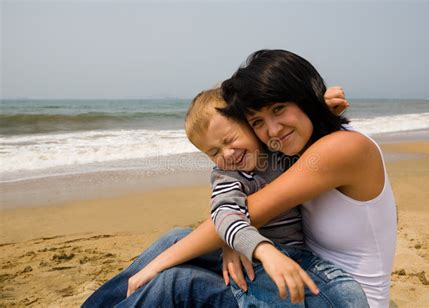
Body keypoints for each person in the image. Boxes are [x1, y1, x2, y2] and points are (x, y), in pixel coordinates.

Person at [82, 86, 368, 307]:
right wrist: (254, 246)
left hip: (285, 255)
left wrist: (319, 106)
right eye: (214, 152)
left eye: (230, 140)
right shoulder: (227, 176)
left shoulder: (278, 151)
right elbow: (224, 214)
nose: (227, 154)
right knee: (174, 239)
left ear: (250, 124)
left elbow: (299, 129)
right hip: (261, 255)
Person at [219, 49, 397, 308]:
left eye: (278, 108)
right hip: (312, 280)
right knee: (179, 245)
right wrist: (315, 107)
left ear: (306, 98)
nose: (273, 130)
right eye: (257, 121)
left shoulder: (343, 148)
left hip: (343, 299)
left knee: (176, 281)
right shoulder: (298, 149)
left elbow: (243, 214)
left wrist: (226, 241)